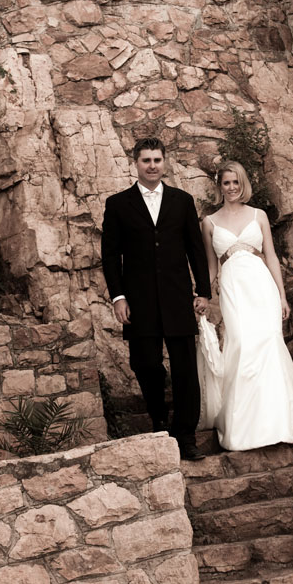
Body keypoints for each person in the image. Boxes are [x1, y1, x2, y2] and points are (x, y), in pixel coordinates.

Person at [101, 137, 211, 460]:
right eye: (146, 160)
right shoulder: (118, 204)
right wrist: (118, 297)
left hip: (178, 298)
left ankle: (186, 436)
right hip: (139, 301)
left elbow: (195, 249)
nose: (152, 166)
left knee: (186, 370)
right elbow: (110, 256)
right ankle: (159, 417)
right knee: (145, 363)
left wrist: (203, 291)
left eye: (157, 160)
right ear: (135, 163)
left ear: (165, 163)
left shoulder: (182, 201)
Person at [199, 160, 293, 451]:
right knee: (241, 344)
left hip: (261, 286)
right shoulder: (209, 222)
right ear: (219, 186)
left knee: (269, 344)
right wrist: (200, 295)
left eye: (236, 182)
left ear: (243, 183)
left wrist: (282, 296)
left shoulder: (258, 215)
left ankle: (281, 423)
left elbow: (271, 256)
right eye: (226, 182)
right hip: (233, 287)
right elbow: (211, 267)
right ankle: (244, 429)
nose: (232, 187)